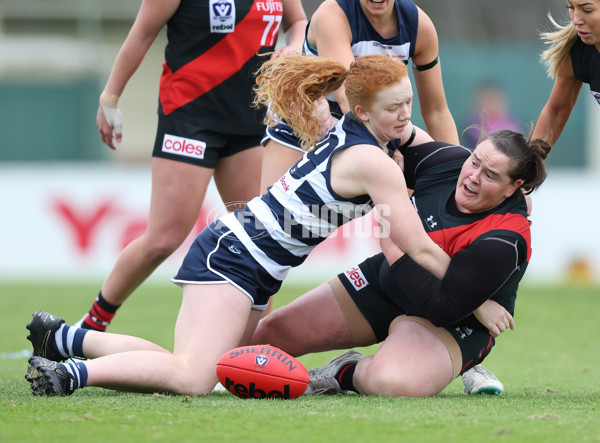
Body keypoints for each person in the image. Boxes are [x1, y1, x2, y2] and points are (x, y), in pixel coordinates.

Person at [24, 54, 453, 397]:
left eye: (408, 103)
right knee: (194, 377)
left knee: (207, 369)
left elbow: (425, 149)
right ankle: (70, 375)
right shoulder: (373, 162)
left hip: (255, 265)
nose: (404, 116)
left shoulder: (348, 127)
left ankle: (65, 341)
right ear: (361, 110)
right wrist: (473, 292)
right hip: (234, 257)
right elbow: (415, 244)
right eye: (394, 108)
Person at [250, 130, 550, 398]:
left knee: (391, 382)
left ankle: (345, 372)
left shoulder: (505, 238)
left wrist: (393, 245)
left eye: (491, 175)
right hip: (388, 283)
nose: (473, 176)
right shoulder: (446, 162)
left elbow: (441, 306)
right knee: (268, 336)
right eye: (474, 162)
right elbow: (391, 132)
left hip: (452, 323)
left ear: (514, 187)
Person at [77, 0, 308, 332]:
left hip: (251, 120)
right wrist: (110, 97)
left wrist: (295, 46)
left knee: (259, 241)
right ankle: (90, 326)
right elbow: (142, 33)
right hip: (190, 119)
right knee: (163, 239)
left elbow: (298, 21)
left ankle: (248, 355)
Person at [260, 0, 459, 193]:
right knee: (273, 219)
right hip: (304, 123)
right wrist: (386, 148)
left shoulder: (419, 26)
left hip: (370, 124)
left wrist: (457, 171)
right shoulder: (332, 14)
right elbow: (348, 99)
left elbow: (436, 111)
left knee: (436, 174)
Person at [532, 0, 600, 144]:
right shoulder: (578, 52)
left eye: (587, 10)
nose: (576, 20)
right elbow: (555, 113)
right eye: (571, 7)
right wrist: (530, 162)